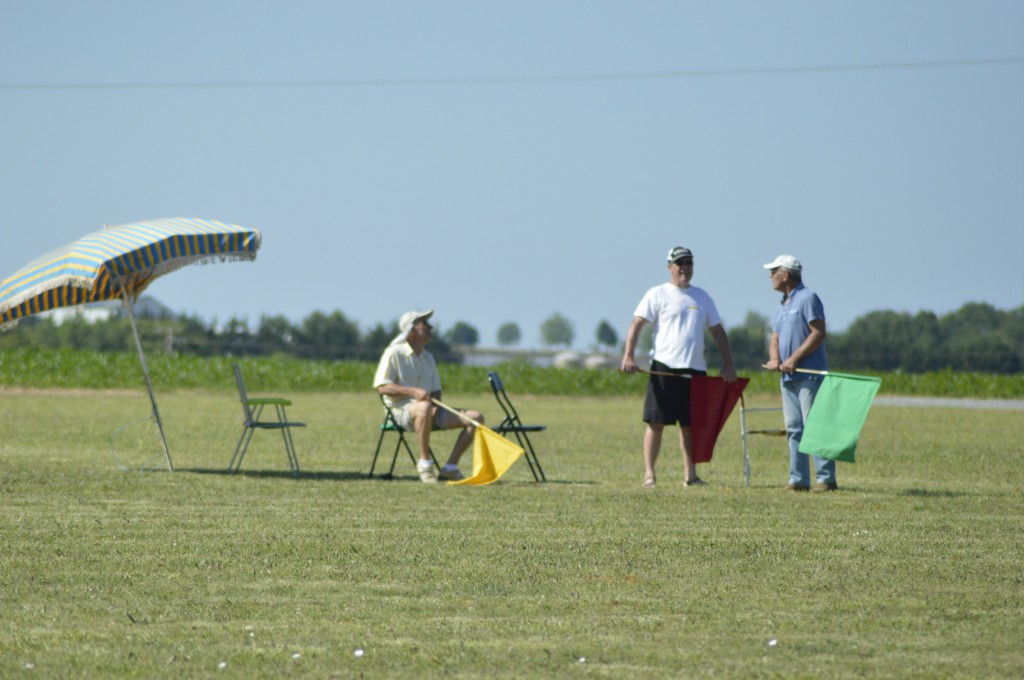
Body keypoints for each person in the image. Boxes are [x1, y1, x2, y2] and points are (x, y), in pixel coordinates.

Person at [621, 247, 738, 489]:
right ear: (670, 267)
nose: (685, 267)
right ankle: (649, 474)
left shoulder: (702, 297)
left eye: (689, 263)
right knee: (656, 423)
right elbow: (637, 323)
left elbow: (717, 331)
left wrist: (728, 364)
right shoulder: (657, 294)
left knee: (690, 426)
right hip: (664, 368)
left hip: (695, 370)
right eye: (680, 263)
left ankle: (690, 476)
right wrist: (629, 355)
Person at [373, 310, 484, 483]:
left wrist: (436, 407)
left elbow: (436, 392)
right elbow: (382, 387)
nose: (431, 327)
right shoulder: (394, 353)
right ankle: (425, 464)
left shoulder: (429, 358)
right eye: (425, 324)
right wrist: (412, 392)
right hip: (399, 412)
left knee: (475, 417)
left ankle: (450, 468)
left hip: (429, 411)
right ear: (411, 330)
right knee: (423, 408)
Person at [762, 254, 836, 492]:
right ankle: (798, 480)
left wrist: (794, 359)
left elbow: (818, 333)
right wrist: (775, 359)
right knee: (794, 428)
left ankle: (825, 479)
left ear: (785, 275)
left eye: (773, 272)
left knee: (815, 426)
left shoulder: (808, 298)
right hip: (788, 378)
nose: (770, 276)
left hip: (809, 375)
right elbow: (775, 336)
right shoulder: (782, 304)